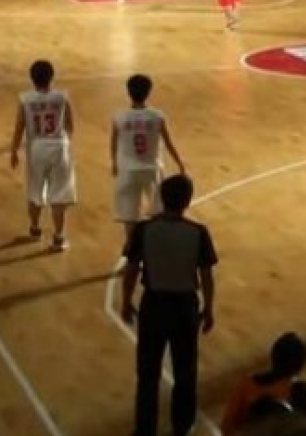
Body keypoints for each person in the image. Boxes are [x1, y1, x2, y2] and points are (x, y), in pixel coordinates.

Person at [121, 174, 218, 436]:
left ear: (162, 199)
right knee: (185, 371)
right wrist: (209, 308)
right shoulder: (198, 232)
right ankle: (182, 426)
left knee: (147, 373)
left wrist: (126, 301)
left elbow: (131, 271)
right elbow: (207, 276)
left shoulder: (144, 230)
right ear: (187, 201)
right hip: (184, 307)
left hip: (154, 304)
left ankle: (145, 429)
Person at [111, 74, 186, 246]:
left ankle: (131, 250)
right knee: (158, 212)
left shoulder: (119, 117)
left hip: (128, 170)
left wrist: (114, 162)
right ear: (149, 92)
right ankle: (155, 245)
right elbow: (168, 143)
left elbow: (113, 142)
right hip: (152, 169)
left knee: (130, 216)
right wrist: (179, 162)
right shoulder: (157, 116)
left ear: (128, 92)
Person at [9, 60, 76, 251]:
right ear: (51, 77)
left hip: (36, 149)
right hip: (59, 147)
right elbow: (70, 126)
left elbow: (19, 128)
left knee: (35, 192)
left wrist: (14, 151)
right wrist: (64, 143)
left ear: (32, 79)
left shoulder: (25, 99)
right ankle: (59, 238)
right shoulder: (62, 97)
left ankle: (35, 230)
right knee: (59, 195)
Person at [221, 332, 306, 436]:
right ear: (300, 366)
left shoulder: (247, 383)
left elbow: (227, 425)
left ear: (273, 356)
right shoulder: (298, 392)